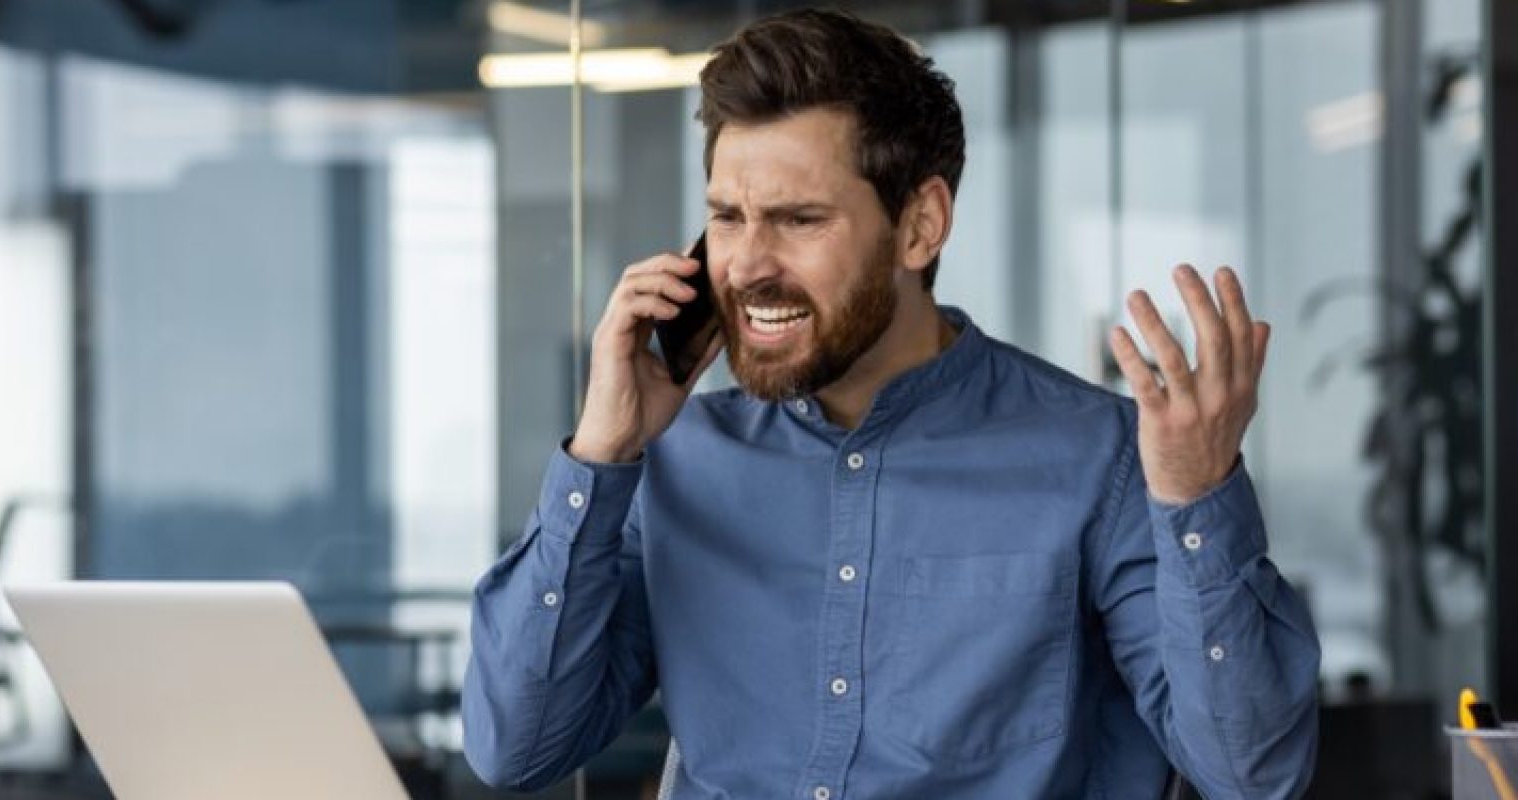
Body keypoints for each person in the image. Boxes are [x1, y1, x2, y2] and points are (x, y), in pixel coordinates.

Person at [463, 8, 1320, 799]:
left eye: (799, 220)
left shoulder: (1094, 457)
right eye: (727, 217)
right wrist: (600, 456)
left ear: (920, 226)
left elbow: (1252, 775)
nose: (748, 265)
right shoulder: (679, 460)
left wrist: (1197, 495)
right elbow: (517, 746)